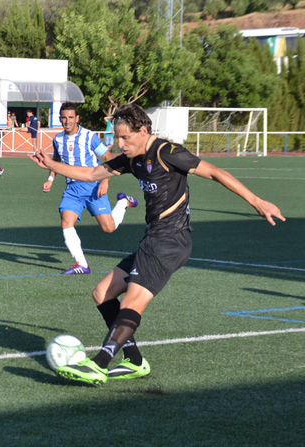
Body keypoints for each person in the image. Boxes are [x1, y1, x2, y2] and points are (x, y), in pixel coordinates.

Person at [30, 103, 284, 386]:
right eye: (117, 137)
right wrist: (51, 165)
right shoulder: (131, 159)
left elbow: (215, 172)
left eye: (126, 137)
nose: (120, 143)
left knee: (132, 301)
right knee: (102, 293)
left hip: (170, 240)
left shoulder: (166, 152)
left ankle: (99, 363)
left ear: (143, 130)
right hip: (153, 239)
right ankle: (135, 361)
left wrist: (257, 201)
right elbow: (91, 174)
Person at [45, 102, 138, 275]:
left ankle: (124, 202)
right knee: (66, 221)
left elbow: (109, 158)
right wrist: (51, 179)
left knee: (108, 228)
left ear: (77, 118)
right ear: (60, 119)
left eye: (71, 117)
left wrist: (105, 180)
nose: (67, 121)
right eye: (64, 117)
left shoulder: (89, 136)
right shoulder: (57, 139)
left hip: (93, 185)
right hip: (72, 189)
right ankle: (82, 264)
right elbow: (55, 161)